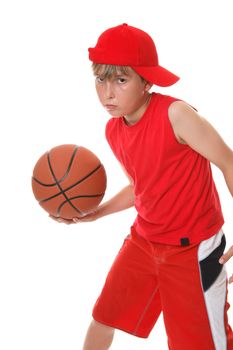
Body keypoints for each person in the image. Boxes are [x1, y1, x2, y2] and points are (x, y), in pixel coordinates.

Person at [52, 24, 233, 349]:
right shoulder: (114, 130)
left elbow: (228, 162)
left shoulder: (176, 114)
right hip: (144, 241)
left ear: (147, 81)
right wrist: (96, 213)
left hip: (192, 250)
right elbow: (141, 187)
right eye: (101, 79)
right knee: (103, 318)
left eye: (121, 80)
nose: (108, 92)